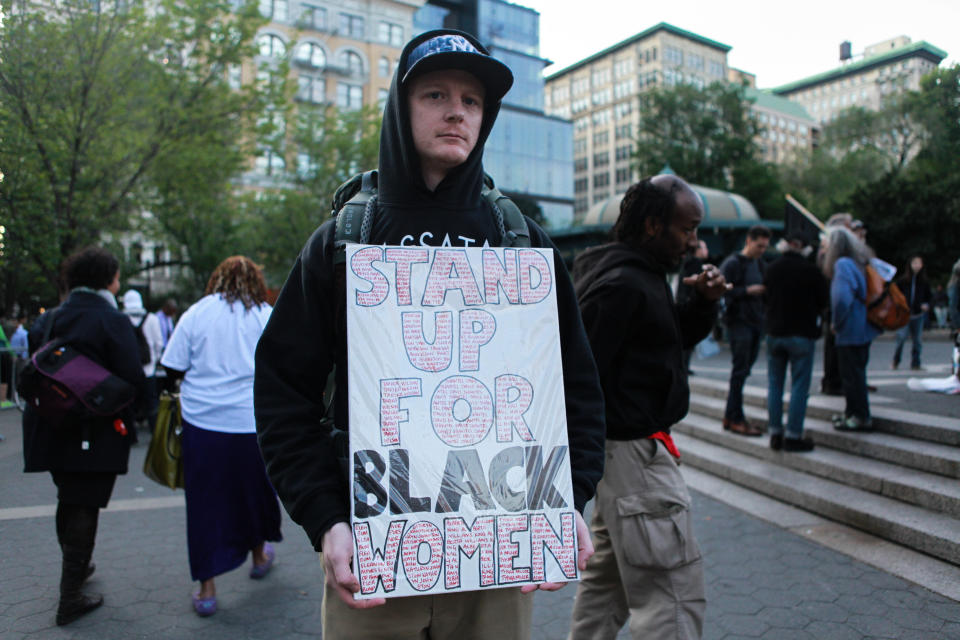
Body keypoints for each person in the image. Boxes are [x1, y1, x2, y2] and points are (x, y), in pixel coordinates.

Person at [254, 29, 605, 640]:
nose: (456, 112)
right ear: (401, 107)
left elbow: (575, 383)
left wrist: (568, 500)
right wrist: (327, 519)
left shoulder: (519, 240)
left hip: (498, 557)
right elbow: (284, 391)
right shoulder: (345, 239)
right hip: (373, 553)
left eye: (472, 101)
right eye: (436, 94)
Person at [568, 175, 726, 639]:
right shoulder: (623, 283)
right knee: (672, 592)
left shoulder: (632, 272)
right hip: (635, 458)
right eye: (687, 228)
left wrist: (701, 302)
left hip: (624, 462)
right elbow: (583, 376)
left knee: (606, 587)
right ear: (654, 225)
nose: (694, 241)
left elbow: (662, 346)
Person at [21, 247, 145, 625]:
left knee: (68, 496)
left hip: (49, 424)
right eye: (117, 276)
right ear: (107, 279)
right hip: (95, 430)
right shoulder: (112, 319)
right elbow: (134, 378)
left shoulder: (53, 317)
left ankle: (76, 568)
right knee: (85, 503)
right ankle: (70, 595)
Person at [160, 256, 282, 617]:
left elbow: (171, 368)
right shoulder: (263, 314)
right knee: (255, 494)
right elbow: (281, 365)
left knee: (205, 504)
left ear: (217, 279)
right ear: (255, 281)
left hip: (204, 424)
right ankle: (259, 556)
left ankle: (207, 589)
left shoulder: (197, 313)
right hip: (251, 424)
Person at [763, 234, 829, 452]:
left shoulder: (772, 268)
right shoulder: (811, 271)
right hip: (801, 333)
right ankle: (793, 435)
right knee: (800, 386)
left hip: (774, 332)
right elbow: (823, 301)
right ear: (803, 248)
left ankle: (775, 432)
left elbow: (765, 297)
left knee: (775, 384)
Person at [822, 227, 880, 431]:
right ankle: (853, 413)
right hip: (863, 327)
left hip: (850, 329)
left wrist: (836, 324)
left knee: (851, 376)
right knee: (857, 374)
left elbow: (840, 299)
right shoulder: (860, 262)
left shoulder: (842, 265)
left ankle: (859, 416)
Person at [719, 225, 771, 436]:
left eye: (765, 247)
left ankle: (731, 414)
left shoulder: (759, 264)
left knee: (743, 370)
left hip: (755, 321)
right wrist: (747, 291)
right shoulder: (733, 263)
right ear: (749, 241)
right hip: (739, 321)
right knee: (740, 370)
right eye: (759, 245)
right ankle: (735, 417)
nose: (762, 250)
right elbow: (722, 291)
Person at [121, 290, 164, 430]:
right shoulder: (152, 319)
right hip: (149, 369)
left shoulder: (121, 318)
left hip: (129, 370)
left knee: (129, 403)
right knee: (152, 401)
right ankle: (154, 432)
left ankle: (131, 433)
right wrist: (154, 359)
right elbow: (159, 343)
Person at [891, 255, 931, 370]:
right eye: (914, 263)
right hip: (905, 314)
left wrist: (926, 304)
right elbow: (895, 293)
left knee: (917, 340)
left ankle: (916, 362)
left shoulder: (924, 281)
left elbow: (929, 297)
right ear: (910, 264)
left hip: (918, 314)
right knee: (901, 338)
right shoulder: (903, 280)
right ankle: (896, 360)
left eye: (919, 263)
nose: (917, 265)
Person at [677, 239, 710, 374]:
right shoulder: (696, 264)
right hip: (690, 303)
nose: (706, 251)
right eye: (704, 248)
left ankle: (684, 366)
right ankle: (685, 366)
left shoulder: (686, 263)